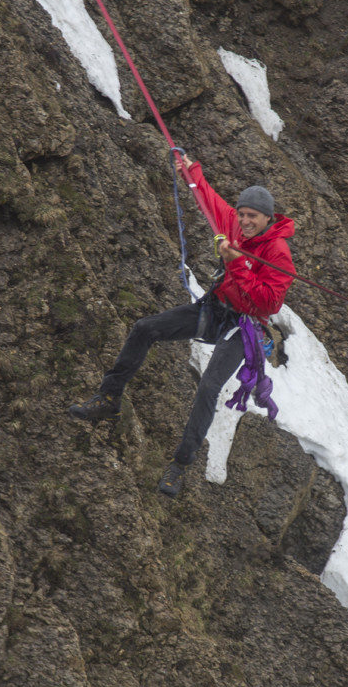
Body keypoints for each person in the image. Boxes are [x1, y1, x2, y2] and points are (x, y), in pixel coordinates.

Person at [69, 153, 296, 497]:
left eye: (252, 217)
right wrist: (190, 170)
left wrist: (236, 263)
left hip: (244, 327)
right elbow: (210, 201)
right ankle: (109, 396)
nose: (245, 221)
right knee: (145, 328)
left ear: (267, 218)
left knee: (208, 387)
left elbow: (268, 302)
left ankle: (180, 464)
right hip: (217, 309)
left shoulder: (278, 253)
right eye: (242, 214)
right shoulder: (234, 223)